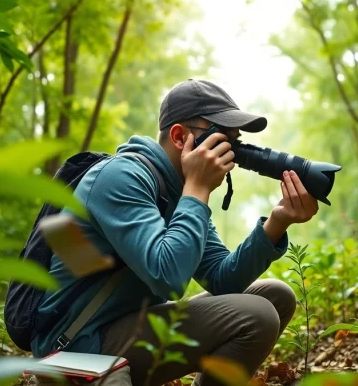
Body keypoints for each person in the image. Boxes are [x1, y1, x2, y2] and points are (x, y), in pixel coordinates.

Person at [32, 79, 319, 385]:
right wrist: (196, 191)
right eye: (223, 139)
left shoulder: (179, 190)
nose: (231, 154)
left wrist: (277, 222)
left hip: (123, 328)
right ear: (181, 137)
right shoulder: (121, 177)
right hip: (76, 344)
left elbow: (222, 279)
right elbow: (167, 276)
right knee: (257, 316)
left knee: (275, 297)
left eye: (234, 144)